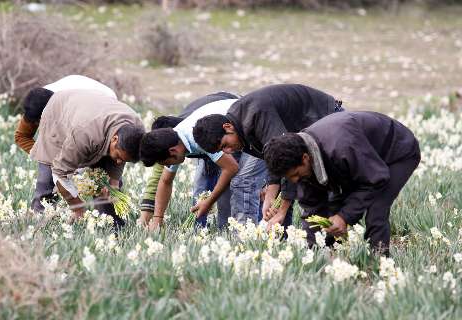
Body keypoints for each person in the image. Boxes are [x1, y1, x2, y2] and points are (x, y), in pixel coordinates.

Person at [263, 111, 420, 255]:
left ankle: (380, 263)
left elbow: (376, 179)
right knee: (333, 211)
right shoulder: (303, 156)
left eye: (296, 174)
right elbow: (312, 208)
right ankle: (330, 257)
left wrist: (344, 217)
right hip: (363, 160)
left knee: (376, 209)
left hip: (396, 152)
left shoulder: (341, 147)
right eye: (290, 178)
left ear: (305, 158)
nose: (295, 180)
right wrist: (311, 254)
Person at [193, 83, 344, 229]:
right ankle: (283, 241)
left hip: (329, 122)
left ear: (227, 127)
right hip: (305, 138)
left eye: (225, 145)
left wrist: (282, 210)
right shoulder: (238, 126)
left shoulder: (256, 114)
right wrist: (271, 195)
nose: (228, 152)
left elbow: (288, 157)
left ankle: (333, 246)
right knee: (290, 194)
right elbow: (273, 158)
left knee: (322, 197)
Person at [29, 89, 145, 225]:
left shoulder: (136, 130)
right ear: (114, 139)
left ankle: (109, 223)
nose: (119, 162)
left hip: (92, 113)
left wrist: (113, 181)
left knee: (104, 183)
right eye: (119, 156)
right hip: (60, 111)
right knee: (48, 175)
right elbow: (60, 172)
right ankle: (39, 218)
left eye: (124, 160)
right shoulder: (85, 134)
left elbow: (122, 156)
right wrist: (77, 206)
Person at [138, 92, 240, 226]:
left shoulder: (198, 137)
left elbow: (231, 168)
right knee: (203, 184)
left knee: (242, 182)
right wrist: (158, 218)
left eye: (165, 163)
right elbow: (165, 181)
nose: (166, 166)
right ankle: (204, 228)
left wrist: (209, 201)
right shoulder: (175, 139)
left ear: (172, 152)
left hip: (243, 124)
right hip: (223, 126)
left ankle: (234, 230)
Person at [14, 75, 117, 154]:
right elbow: (22, 136)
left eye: (43, 121)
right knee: (47, 179)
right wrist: (42, 155)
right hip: (74, 96)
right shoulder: (37, 101)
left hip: (103, 104)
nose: (41, 124)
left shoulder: (80, 112)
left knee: (103, 173)